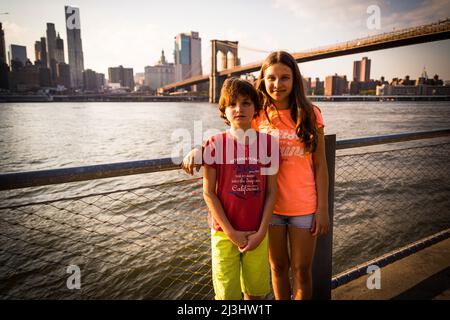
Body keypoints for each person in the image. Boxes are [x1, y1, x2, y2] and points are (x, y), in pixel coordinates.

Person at [183, 51, 329, 300]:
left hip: (304, 205)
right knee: (277, 268)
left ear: (295, 80)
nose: (277, 84)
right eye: (271, 78)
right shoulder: (258, 114)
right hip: (267, 210)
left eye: (285, 78)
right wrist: (200, 149)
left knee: (302, 271)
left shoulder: (310, 113)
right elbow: (232, 132)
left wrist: (323, 208)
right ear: (263, 80)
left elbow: (320, 164)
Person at [202, 77, 278, 300]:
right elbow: (209, 193)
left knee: (255, 294)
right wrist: (230, 232)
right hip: (223, 233)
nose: (239, 109)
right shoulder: (214, 144)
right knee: (227, 297)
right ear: (223, 110)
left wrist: (262, 231)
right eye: (232, 104)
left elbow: (272, 191)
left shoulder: (269, 144)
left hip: (257, 232)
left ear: (256, 108)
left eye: (246, 103)